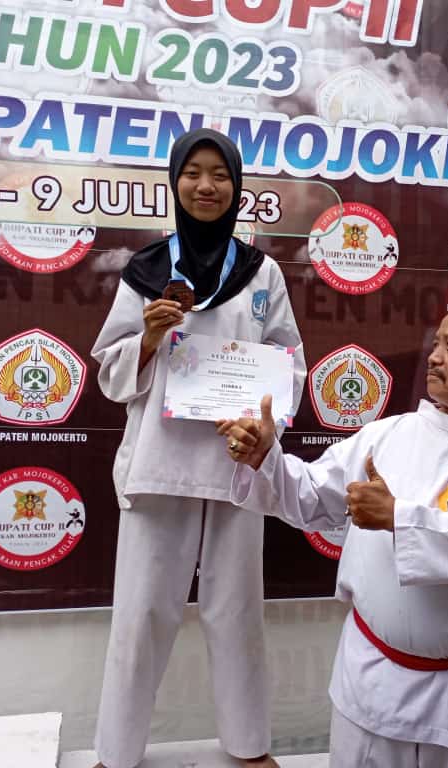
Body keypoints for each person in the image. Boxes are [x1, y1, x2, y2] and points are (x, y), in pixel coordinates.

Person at [218, 303, 448, 767]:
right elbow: (312, 496)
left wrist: (399, 516)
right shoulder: (386, 436)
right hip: (373, 687)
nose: (434, 356)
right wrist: (267, 458)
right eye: (435, 343)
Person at [91, 128, 306, 768]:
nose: (206, 186)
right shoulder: (147, 271)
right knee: (141, 615)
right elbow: (109, 369)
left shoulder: (262, 271)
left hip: (236, 465)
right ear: (175, 182)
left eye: (220, 174)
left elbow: (289, 362)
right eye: (193, 173)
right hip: (159, 466)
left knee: (237, 611)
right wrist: (150, 339)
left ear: (237, 187)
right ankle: (116, 753)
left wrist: (263, 426)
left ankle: (248, 747)